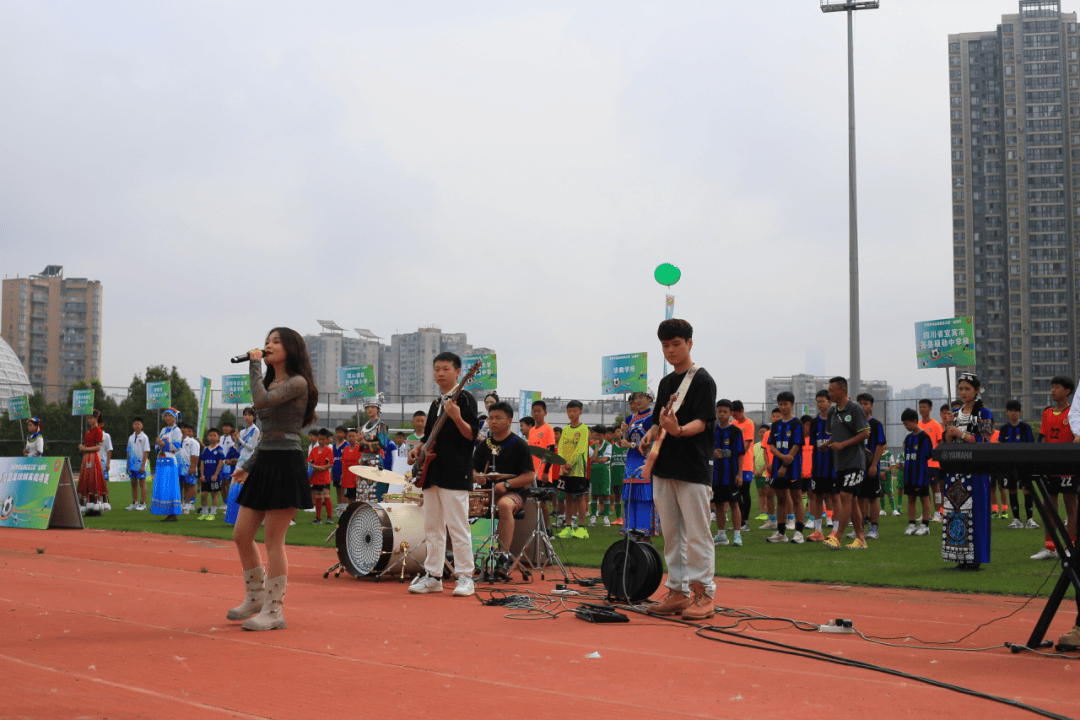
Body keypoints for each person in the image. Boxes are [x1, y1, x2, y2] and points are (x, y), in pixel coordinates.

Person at [228, 327, 319, 631]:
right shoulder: (270, 381)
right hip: (265, 460)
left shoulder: (297, 382)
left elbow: (262, 403)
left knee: (273, 540)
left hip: (286, 462)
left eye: (275, 342)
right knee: (241, 534)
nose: (268, 345)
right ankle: (255, 597)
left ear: (291, 349)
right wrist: (249, 465)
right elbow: (268, 434)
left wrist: (254, 364)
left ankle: (274, 610)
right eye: (267, 341)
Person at [641, 319, 717, 621]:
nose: (671, 350)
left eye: (676, 344)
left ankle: (703, 594)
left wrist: (680, 430)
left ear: (689, 343)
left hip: (693, 466)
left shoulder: (702, 380)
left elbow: (703, 421)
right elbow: (660, 419)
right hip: (665, 465)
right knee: (671, 534)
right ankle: (677, 591)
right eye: (665, 346)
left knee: (697, 534)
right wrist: (652, 432)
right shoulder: (665, 383)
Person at [407, 351, 480, 597]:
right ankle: (433, 576)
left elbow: (472, 436)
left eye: (446, 369)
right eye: (437, 369)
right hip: (432, 472)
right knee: (432, 527)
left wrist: (457, 417)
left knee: (458, 527)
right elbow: (429, 437)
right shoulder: (436, 403)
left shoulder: (466, 399)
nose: (440, 373)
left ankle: (466, 577)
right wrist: (418, 448)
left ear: (459, 372)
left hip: (455, 473)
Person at [473, 401, 536, 578]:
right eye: (491, 418)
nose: (493, 421)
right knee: (458, 504)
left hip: (513, 494)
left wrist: (507, 484)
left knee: (505, 505)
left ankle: (503, 556)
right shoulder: (484, 445)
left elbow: (530, 475)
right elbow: (472, 470)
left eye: (498, 418)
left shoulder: (519, 444)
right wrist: (478, 476)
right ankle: (455, 557)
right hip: (486, 493)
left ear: (509, 420)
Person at [941, 372, 994, 570]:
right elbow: (946, 443)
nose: (963, 392)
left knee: (975, 513)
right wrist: (948, 428)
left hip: (976, 471)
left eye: (967, 389)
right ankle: (959, 555)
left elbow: (985, 442)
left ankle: (976, 556)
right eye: (961, 389)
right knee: (956, 513)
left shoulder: (984, 413)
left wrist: (961, 433)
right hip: (956, 471)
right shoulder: (954, 414)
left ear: (977, 390)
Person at [822, 377, 871, 550]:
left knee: (845, 498)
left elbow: (866, 433)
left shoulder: (855, 408)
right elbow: (835, 434)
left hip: (855, 461)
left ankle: (838, 537)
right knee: (853, 501)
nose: (829, 393)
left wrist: (843, 444)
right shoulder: (832, 412)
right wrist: (827, 444)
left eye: (831, 390)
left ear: (842, 391)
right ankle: (861, 539)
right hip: (840, 462)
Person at [1032, 376, 1078, 561]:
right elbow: (1043, 439)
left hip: (1068, 467)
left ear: (1067, 391)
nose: (1052, 390)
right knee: (1049, 506)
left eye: (1057, 387)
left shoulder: (1074, 414)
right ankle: (1049, 547)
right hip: (1050, 466)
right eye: (1052, 387)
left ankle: (1070, 546)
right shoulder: (1047, 413)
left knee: (1071, 506)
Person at [767, 392, 805, 543]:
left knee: (796, 499)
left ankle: (799, 533)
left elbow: (796, 445)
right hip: (779, 467)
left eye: (786, 404)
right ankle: (781, 532)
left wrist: (785, 464)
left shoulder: (797, 424)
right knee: (781, 499)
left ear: (792, 405)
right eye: (780, 404)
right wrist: (782, 458)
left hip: (793, 467)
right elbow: (771, 446)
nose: (783, 407)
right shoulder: (776, 425)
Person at [619, 391, 658, 536]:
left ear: (649, 399)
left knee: (644, 497)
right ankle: (630, 528)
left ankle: (644, 529)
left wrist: (630, 444)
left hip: (644, 462)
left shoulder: (653, 418)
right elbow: (625, 443)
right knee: (629, 497)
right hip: (630, 463)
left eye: (641, 397)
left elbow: (651, 443)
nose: (638, 401)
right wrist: (623, 435)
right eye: (635, 398)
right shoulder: (630, 418)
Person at [998, 400, 1038, 529]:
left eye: (1015, 410)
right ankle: (1017, 519)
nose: (1013, 413)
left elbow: (1031, 446)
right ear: (1007, 413)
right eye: (1010, 411)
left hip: (1024, 464)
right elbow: (1000, 447)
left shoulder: (1025, 427)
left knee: (1027, 490)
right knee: (1012, 490)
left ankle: (1030, 519)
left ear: (1020, 412)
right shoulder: (1004, 429)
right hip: (1009, 465)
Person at [712, 399, 746, 547]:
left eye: (725, 412)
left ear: (731, 414)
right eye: (719, 411)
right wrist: (711, 452)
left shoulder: (736, 432)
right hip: (716, 475)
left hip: (731, 474)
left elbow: (740, 454)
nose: (722, 414)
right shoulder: (712, 430)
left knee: (734, 504)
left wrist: (740, 474)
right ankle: (721, 535)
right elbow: (706, 449)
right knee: (719, 505)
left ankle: (737, 536)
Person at [556, 400, 591, 539]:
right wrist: (563, 465)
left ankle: (581, 527)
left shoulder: (583, 429)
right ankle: (568, 527)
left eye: (574, 411)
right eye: (569, 411)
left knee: (580, 497)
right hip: (565, 470)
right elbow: (561, 449)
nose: (571, 414)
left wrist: (570, 464)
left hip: (577, 470)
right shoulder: (565, 430)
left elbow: (581, 449)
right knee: (567, 497)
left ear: (580, 412)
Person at [806, 390, 835, 542]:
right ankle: (818, 530)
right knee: (816, 497)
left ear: (830, 402)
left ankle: (836, 530)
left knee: (836, 497)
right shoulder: (815, 422)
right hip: (818, 466)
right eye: (817, 401)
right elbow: (812, 445)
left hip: (834, 466)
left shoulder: (836, 419)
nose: (820, 404)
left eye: (822, 401)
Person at [857, 393, 887, 540]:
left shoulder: (876, 424)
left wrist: (874, 465)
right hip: (857, 467)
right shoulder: (854, 424)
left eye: (866, 403)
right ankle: (859, 528)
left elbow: (881, 445)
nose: (863, 406)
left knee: (873, 498)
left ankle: (874, 528)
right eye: (860, 403)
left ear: (871, 406)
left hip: (871, 467)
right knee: (859, 498)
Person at [900, 409, 933, 536]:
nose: (906, 427)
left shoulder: (924, 437)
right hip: (909, 476)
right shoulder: (908, 438)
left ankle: (925, 526)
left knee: (924, 499)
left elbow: (928, 455)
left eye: (907, 424)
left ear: (915, 421)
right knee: (911, 499)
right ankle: (912, 524)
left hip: (921, 475)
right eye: (904, 424)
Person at [150, 408, 184, 521]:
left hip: (170, 461)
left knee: (170, 486)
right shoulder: (164, 429)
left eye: (169, 415)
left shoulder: (177, 430)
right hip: (161, 460)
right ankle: (166, 511)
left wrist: (163, 444)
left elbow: (177, 447)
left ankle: (172, 513)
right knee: (162, 485)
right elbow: (156, 444)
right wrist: (159, 445)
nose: (167, 418)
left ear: (174, 417)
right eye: (166, 416)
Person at [917, 398, 945, 523]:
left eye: (925, 407)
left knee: (935, 488)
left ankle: (938, 513)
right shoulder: (918, 425)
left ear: (930, 409)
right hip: (921, 463)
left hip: (933, 463)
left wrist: (939, 459)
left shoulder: (935, 425)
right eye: (920, 407)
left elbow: (941, 443)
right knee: (923, 489)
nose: (922, 409)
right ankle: (925, 514)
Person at [729, 401, 755, 532]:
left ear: (741, 411)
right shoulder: (732, 424)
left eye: (735, 414)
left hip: (746, 464)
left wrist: (739, 455)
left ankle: (745, 521)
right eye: (732, 414)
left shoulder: (749, 423)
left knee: (745, 492)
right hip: (733, 464)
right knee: (735, 494)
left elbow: (747, 443)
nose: (733, 417)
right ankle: (737, 521)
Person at [359, 397, 390, 502]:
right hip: (364, 459)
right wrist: (359, 442)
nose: (370, 409)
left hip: (376, 459)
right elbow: (360, 445)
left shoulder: (382, 425)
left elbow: (382, 444)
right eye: (367, 407)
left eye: (373, 407)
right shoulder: (364, 426)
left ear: (378, 409)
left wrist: (365, 443)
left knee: (376, 489)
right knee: (363, 488)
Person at [77, 409, 107, 512]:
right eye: (88, 418)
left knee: (93, 479)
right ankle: (85, 504)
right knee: (85, 479)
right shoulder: (88, 431)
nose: (89, 420)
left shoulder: (98, 430)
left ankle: (95, 503)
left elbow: (98, 447)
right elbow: (88, 444)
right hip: (87, 457)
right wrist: (83, 447)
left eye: (91, 418)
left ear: (96, 418)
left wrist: (85, 449)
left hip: (93, 457)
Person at [197, 428, 225, 520]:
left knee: (214, 494)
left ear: (218, 438)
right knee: (203, 494)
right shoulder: (205, 450)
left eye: (214, 435)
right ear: (208, 437)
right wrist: (202, 475)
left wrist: (216, 475)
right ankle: (204, 513)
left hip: (214, 477)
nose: (212, 437)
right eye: (210, 435)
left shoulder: (219, 449)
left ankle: (212, 513)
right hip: (206, 476)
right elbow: (202, 463)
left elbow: (220, 463)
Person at [308, 428, 334, 524]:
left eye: (323, 439)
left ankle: (329, 518)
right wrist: (315, 466)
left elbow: (331, 463)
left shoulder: (329, 450)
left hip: (325, 476)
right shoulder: (314, 450)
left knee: (326, 496)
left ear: (327, 440)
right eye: (319, 439)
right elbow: (310, 462)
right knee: (318, 497)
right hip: (316, 476)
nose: (321, 441)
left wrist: (323, 468)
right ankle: (318, 518)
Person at [589, 425, 613, 526]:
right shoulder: (591, 446)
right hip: (594, 471)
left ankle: (606, 517)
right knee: (594, 495)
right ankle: (593, 517)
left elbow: (605, 460)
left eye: (599, 435)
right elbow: (592, 458)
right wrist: (597, 449)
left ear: (604, 435)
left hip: (605, 471)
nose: (597, 437)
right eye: (596, 435)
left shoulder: (608, 445)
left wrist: (596, 460)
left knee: (605, 495)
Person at [124, 418, 150, 511]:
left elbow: (146, 451)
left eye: (138, 424)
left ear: (142, 425)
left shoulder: (144, 437)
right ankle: (134, 502)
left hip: (140, 465)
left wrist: (143, 465)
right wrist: (127, 464)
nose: (137, 425)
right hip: (132, 465)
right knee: (133, 484)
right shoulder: (131, 437)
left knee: (142, 483)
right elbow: (128, 451)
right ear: (133, 426)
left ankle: (143, 503)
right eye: (135, 424)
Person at [180, 423, 201, 514]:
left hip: (188, 468)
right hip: (177, 468)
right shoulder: (175, 441)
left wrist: (193, 467)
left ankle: (187, 506)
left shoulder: (193, 442)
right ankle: (179, 505)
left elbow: (195, 455)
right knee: (179, 487)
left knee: (188, 486)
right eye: (180, 427)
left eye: (184, 428)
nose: (182, 429)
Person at [608, 425, 627, 525]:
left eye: (622, 431)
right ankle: (618, 518)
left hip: (626, 477)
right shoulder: (611, 447)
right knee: (617, 498)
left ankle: (626, 518)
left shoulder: (628, 447)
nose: (620, 433)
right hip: (615, 477)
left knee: (627, 498)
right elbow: (609, 463)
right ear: (615, 434)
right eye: (618, 431)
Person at [341, 429, 362, 504]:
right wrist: (342, 474)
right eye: (349, 436)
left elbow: (362, 464)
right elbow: (343, 462)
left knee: (357, 497)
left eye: (353, 436)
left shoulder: (360, 449)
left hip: (356, 477)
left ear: (357, 437)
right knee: (349, 497)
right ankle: (351, 512)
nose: (351, 438)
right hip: (347, 477)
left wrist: (359, 475)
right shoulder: (345, 449)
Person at [331, 425, 348, 510]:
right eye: (337, 432)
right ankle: (340, 507)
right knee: (338, 490)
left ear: (345, 434)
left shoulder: (346, 445)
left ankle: (344, 507)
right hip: (335, 471)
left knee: (343, 490)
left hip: (343, 471)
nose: (338, 434)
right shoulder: (334, 446)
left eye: (340, 432)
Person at [97, 418, 113, 498]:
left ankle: (105, 499)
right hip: (93, 462)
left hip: (103, 462)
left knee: (104, 482)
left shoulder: (106, 436)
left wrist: (108, 463)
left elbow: (109, 449)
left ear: (102, 424)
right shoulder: (91, 434)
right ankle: (96, 500)